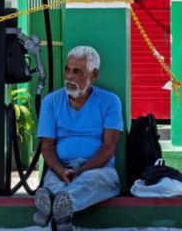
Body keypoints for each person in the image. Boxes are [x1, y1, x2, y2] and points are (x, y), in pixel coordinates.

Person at [33, 46, 123, 231]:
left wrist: (81, 171)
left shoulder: (110, 101)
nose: (69, 77)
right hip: (61, 168)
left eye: (77, 72)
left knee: (92, 181)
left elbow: (109, 147)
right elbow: (47, 146)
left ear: (94, 75)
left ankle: (55, 203)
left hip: (97, 168)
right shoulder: (51, 101)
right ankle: (60, 209)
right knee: (53, 180)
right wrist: (60, 170)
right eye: (67, 70)